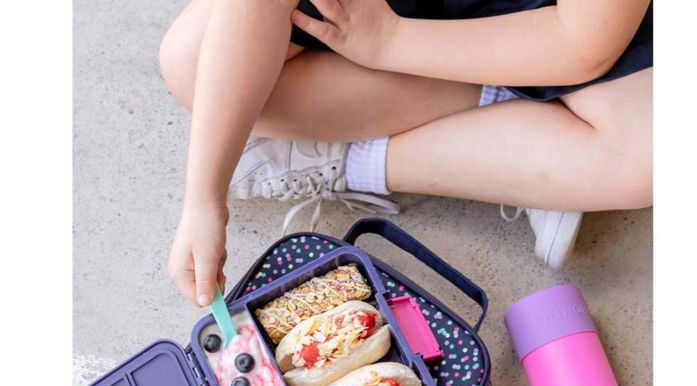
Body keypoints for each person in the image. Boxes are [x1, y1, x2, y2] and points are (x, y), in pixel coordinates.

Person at [160, 0, 652, 306]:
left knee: (652, 157)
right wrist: (204, 199)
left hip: (562, 18)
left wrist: (391, 41)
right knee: (191, 62)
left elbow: (583, 41)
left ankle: (346, 160)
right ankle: (514, 132)